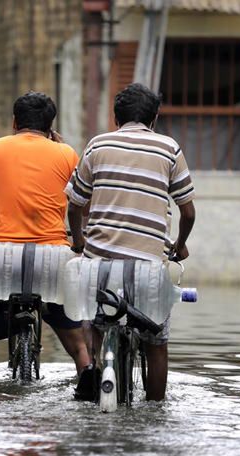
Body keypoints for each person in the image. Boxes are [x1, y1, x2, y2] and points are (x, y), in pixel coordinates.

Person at [66, 83, 196, 401]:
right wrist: (180, 244)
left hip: (100, 265)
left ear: (115, 118)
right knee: (156, 344)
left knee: (93, 319)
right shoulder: (169, 149)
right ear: (154, 119)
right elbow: (188, 212)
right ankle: (155, 409)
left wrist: (80, 241)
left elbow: (74, 204)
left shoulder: (97, 146)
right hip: (148, 271)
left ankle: (96, 364)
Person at [0, 91, 91, 381]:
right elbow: (80, 205)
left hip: (1, 258)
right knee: (79, 343)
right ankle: (90, 383)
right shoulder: (67, 153)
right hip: (54, 260)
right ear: (50, 125)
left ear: (14, 122)